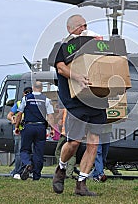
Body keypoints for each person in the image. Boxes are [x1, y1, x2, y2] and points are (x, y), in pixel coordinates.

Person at [51, 14, 107, 196]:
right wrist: (77, 76)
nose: (84, 28)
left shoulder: (96, 43)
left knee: (94, 143)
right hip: (76, 102)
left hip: (97, 101)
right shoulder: (64, 46)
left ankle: (81, 183)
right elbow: (60, 67)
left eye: (85, 25)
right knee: (74, 142)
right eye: (81, 26)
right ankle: (61, 168)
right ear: (71, 29)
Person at [14, 81, 54, 181]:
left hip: (28, 126)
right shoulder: (46, 100)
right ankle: (36, 176)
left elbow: (19, 114)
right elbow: (50, 116)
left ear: (33, 87)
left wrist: (17, 127)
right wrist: (52, 129)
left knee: (24, 150)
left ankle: (27, 164)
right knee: (39, 152)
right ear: (42, 88)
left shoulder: (26, 98)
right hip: (41, 128)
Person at [6, 86, 32, 179]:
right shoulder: (21, 103)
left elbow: (9, 115)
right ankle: (20, 170)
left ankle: (18, 171)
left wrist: (14, 122)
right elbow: (9, 115)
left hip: (22, 131)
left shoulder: (20, 103)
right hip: (26, 130)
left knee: (19, 152)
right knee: (24, 152)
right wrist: (13, 119)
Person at [54, 103, 77, 178]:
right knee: (72, 154)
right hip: (75, 133)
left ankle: (61, 169)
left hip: (65, 132)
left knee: (58, 151)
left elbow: (60, 120)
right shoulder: (79, 108)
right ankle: (69, 173)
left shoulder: (66, 106)